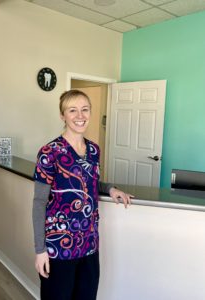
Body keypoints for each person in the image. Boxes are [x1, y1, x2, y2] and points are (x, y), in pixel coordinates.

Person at [33, 89, 133, 300]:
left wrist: (111, 189)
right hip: (59, 247)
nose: (80, 116)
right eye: (73, 110)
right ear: (63, 115)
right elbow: (39, 202)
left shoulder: (94, 150)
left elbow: (89, 182)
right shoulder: (49, 152)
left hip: (89, 244)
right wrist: (40, 250)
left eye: (85, 109)